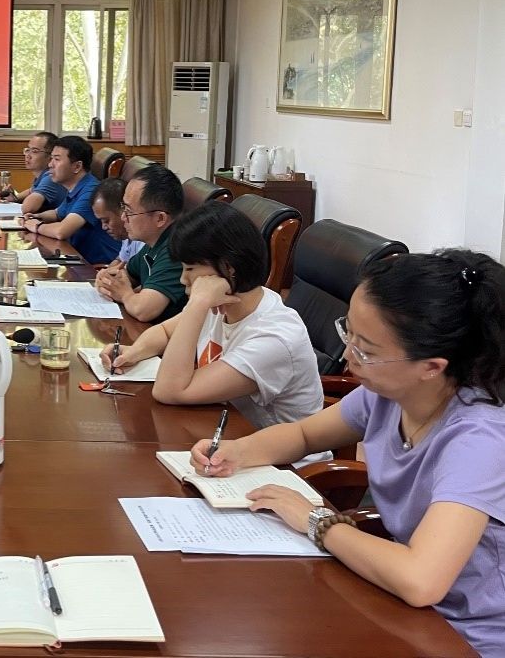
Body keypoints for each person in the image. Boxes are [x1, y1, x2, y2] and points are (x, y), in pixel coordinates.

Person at [189, 250, 505, 657]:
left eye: (367, 350)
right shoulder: (390, 394)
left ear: (431, 367)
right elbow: (304, 434)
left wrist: (317, 521)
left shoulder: (478, 440)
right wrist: (237, 451)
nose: (349, 356)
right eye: (348, 332)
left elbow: (421, 580)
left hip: (466, 635)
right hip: (399, 606)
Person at [103, 201, 323, 432]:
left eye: (190, 269)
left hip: (276, 452)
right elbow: (165, 332)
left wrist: (197, 304)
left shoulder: (273, 338)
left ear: (229, 268)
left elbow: (169, 390)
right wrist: (133, 353)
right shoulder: (224, 301)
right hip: (224, 432)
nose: (183, 279)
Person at [95, 164, 186, 323]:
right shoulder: (152, 245)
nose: (123, 217)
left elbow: (143, 310)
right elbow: (123, 276)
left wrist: (125, 295)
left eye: (129, 211)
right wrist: (107, 278)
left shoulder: (177, 249)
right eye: (123, 208)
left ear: (160, 218)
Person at [23, 135, 119, 264]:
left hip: (97, 267)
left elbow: (61, 231)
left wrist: (37, 226)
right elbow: (58, 213)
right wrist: (37, 216)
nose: (50, 164)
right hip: (77, 259)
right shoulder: (75, 187)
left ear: (77, 166)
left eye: (57, 159)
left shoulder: (92, 191)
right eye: (51, 158)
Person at [0, 131, 68, 214]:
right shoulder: (42, 175)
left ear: (51, 156)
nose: (28, 155)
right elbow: (31, 190)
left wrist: (18, 200)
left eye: (34, 151)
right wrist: (15, 199)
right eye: (28, 150)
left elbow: (29, 208)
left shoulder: (51, 177)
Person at [91, 176, 144, 264]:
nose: (104, 227)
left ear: (123, 210)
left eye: (106, 220)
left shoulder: (143, 240)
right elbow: (121, 260)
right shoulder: (126, 236)